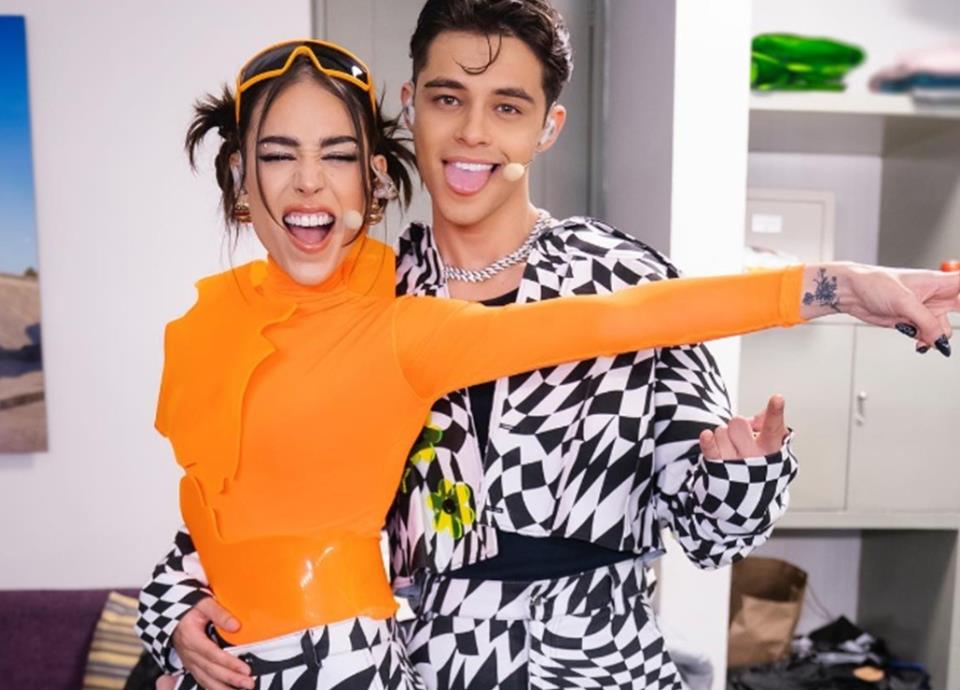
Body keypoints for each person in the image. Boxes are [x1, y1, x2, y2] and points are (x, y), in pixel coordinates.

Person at [137, 18, 959, 690]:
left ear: (547, 126)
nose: (472, 132)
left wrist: (741, 467)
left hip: (597, 660)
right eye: (448, 98)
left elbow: (714, 537)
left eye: (507, 106)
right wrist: (177, 612)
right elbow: (253, 489)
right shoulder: (367, 292)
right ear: (410, 108)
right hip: (424, 662)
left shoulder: (623, 275)